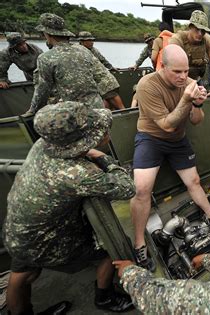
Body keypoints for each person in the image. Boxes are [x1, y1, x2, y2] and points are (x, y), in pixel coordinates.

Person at [2, 102, 136, 314]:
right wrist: (102, 157)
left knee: (22, 274)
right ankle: (104, 297)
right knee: (112, 249)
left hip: (17, 232)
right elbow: (127, 188)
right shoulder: (77, 174)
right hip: (46, 241)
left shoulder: (43, 146)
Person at [130, 44, 210, 270]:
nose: (183, 77)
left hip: (177, 140)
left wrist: (198, 104)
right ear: (163, 66)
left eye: (186, 71)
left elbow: (196, 121)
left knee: (194, 181)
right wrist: (186, 100)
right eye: (177, 72)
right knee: (141, 189)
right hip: (151, 138)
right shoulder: (147, 85)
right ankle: (139, 242)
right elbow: (165, 125)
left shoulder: (190, 84)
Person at [28, 13, 105, 114]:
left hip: (75, 114)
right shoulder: (83, 50)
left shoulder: (45, 58)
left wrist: (33, 110)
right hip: (97, 108)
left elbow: (43, 90)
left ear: (47, 34)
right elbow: (97, 76)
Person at [169, 10, 210, 103]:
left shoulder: (206, 39)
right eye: (197, 29)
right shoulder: (177, 40)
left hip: (197, 81)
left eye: (203, 31)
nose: (200, 34)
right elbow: (171, 70)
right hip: (178, 83)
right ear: (190, 27)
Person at [77, 31, 125, 110]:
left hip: (106, 84)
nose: (92, 42)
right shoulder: (79, 51)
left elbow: (103, 60)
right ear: (81, 41)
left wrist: (111, 67)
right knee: (107, 104)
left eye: (92, 40)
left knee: (121, 108)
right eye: (89, 40)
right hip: (101, 85)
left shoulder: (93, 50)